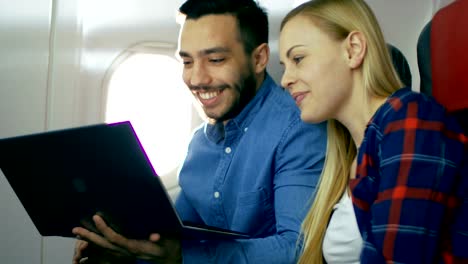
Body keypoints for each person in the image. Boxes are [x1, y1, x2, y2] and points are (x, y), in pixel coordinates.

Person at [72, 0, 328, 263]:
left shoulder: (299, 130)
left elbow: (297, 249)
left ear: (259, 58)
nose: (197, 79)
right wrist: (123, 247)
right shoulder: (200, 144)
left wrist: (181, 256)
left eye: (215, 59)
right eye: (187, 61)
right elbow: (175, 238)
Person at [279, 0, 468, 263]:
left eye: (298, 59)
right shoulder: (349, 153)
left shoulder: (411, 116)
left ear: (353, 50)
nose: (285, 79)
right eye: (284, 65)